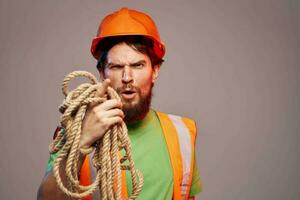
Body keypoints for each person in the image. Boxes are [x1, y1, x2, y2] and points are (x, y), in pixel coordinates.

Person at [38, 7, 202, 200]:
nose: (127, 77)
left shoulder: (181, 132)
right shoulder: (75, 130)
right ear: (102, 74)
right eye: (116, 67)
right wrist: (83, 141)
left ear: (155, 70)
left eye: (137, 65)